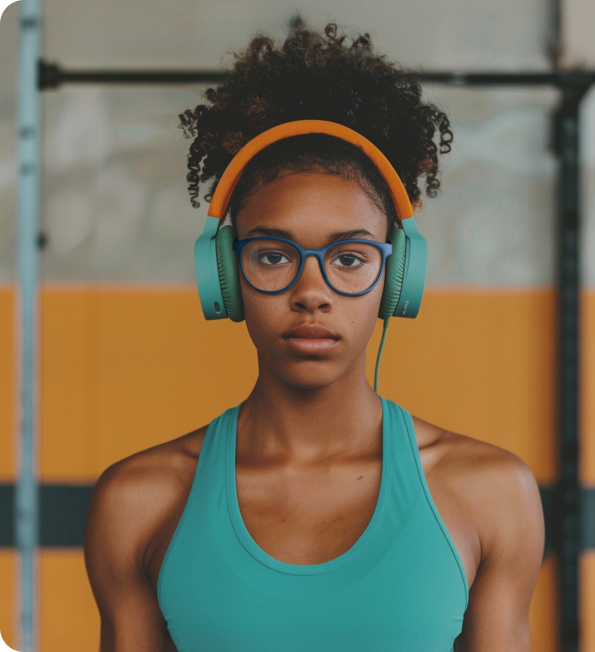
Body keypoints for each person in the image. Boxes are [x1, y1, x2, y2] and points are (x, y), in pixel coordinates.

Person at [84, 23, 545, 652]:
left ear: (397, 279)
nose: (312, 290)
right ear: (224, 277)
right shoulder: (138, 502)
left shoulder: (490, 492)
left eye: (350, 257)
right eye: (273, 256)